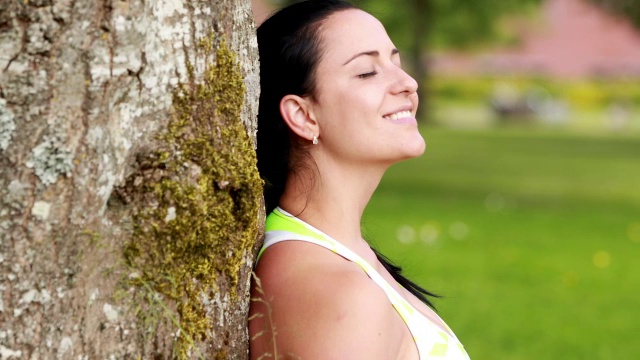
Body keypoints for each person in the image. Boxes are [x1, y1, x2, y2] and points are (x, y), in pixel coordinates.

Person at [249, 1, 470, 359]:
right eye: (367, 72)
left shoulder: (336, 257)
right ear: (303, 116)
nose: (408, 83)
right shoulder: (337, 292)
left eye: (394, 63)